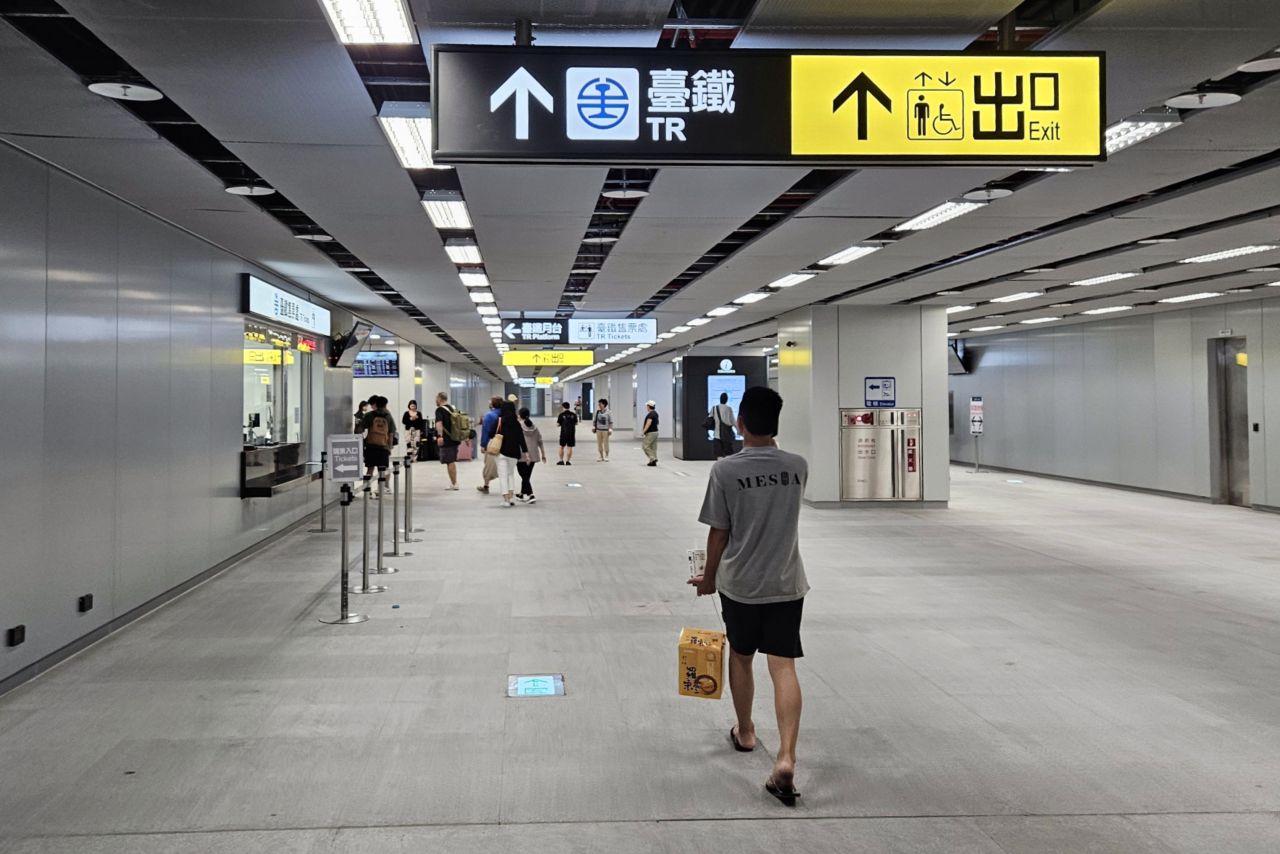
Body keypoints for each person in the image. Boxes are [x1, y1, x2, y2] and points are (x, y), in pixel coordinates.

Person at [689, 387, 808, 807]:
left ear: (739, 424)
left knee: (741, 656)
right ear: (776, 424)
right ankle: (787, 757)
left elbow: (719, 531)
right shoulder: (797, 467)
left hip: (741, 584)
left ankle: (746, 731)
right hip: (786, 582)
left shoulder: (725, 471)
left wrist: (708, 577)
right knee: (783, 664)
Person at [360, 395, 397, 497]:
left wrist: (363, 444)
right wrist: (389, 447)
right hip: (383, 447)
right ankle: (381, 490)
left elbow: (362, 429)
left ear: (375, 404)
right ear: (385, 404)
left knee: (370, 469)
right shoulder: (388, 416)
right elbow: (391, 433)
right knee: (383, 469)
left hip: (370, 446)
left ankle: (367, 490)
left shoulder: (369, 415)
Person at [492, 400, 527, 507]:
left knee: (503, 476)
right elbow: (521, 438)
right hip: (514, 453)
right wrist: (525, 451)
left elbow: (490, 433)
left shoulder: (499, 421)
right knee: (510, 474)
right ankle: (511, 497)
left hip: (501, 452)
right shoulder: (516, 422)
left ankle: (506, 500)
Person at [516, 407, 546, 504]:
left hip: (522, 454)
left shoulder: (518, 426)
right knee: (526, 475)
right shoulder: (534, 426)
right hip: (533, 455)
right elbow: (540, 441)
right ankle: (521, 493)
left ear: (520, 415)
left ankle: (531, 494)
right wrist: (543, 454)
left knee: (524, 476)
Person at [434, 391, 461, 491]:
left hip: (447, 439)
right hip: (455, 438)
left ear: (440, 399)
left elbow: (439, 423)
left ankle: (454, 483)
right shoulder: (453, 408)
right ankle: (452, 482)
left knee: (450, 461)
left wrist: (440, 436)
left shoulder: (440, 410)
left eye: (436, 398)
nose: (435, 400)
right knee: (451, 460)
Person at [478, 397, 501, 493]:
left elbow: (486, 431)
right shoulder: (506, 414)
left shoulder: (489, 416)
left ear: (493, 404)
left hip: (492, 444)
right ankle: (508, 487)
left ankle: (486, 486)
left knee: (489, 465)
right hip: (505, 444)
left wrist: (483, 445)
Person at [710, 392, 736, 460]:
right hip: (726, 435)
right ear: (726, 400)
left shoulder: (714, 408)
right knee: (728, 454)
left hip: (717, 435)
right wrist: (739, 431)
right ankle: (727, 468)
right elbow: (733, 421)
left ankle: (720, 468)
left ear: (720, 399)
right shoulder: (729, 408)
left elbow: (710, 419)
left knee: (719, 455)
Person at [641, 400, 659, 466]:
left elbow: (648, 423)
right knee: (653, 447)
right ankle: (652, 462)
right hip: (655, 432)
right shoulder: (655, 413)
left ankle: (653, 458)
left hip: (651, 433)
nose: (646, 407)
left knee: (645, 446)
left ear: (649, 406)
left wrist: (643, 432)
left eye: (647, 406)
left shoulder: (650, 414)